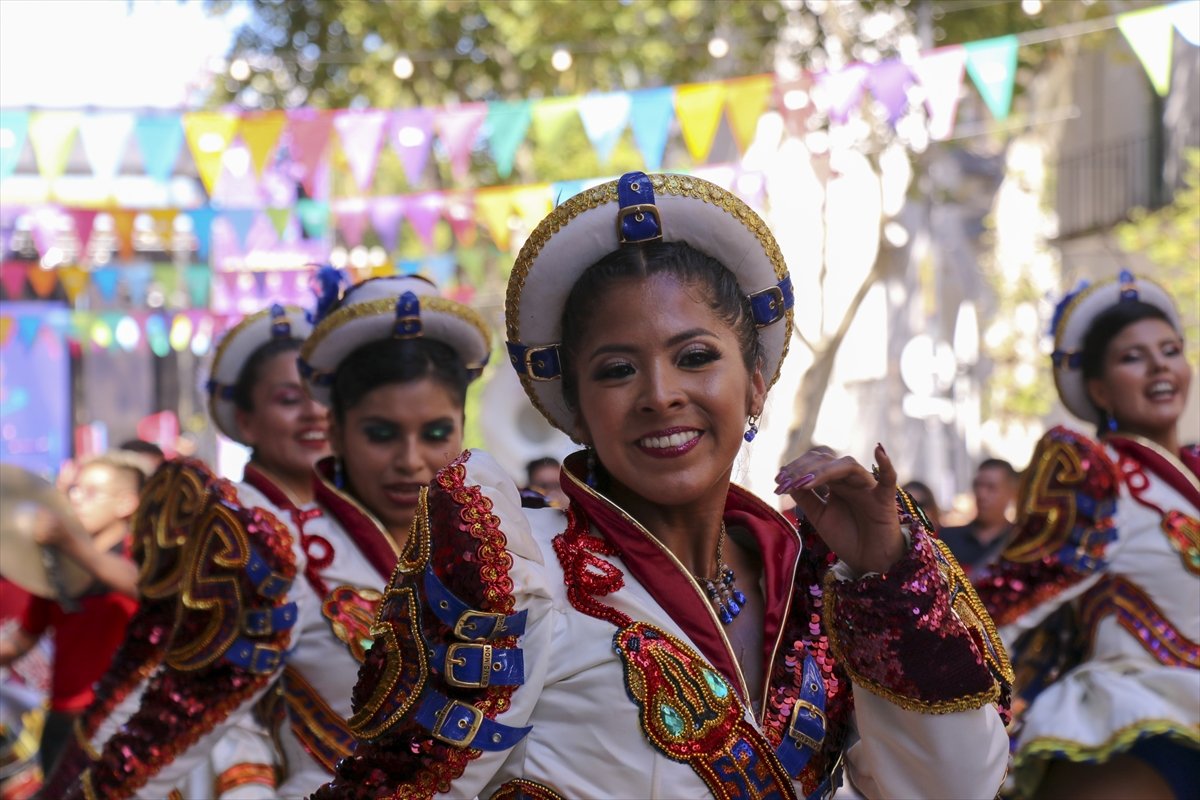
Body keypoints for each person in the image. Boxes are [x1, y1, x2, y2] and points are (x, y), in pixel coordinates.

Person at [316, 172, 1011, 799]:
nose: (660, 394)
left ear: (757, 384)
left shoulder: (821, 577)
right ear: (579, 409)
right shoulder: (517, 574)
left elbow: (953, 788)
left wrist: (887, 579)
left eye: (696, 357)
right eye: (617, 370)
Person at [66, 280, 490, 800]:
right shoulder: (267, 550)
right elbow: (173, 723)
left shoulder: (499, 542)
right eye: (381, 433)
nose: (410, 459)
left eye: (435, 432)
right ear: (338, 430)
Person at [974, 271, 1199, 800]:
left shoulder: (1191, 473)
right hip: (1134, 726)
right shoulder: (1095, 477)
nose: (1160, 364)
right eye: (1133, 357)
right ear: (1099, 389)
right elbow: (1009, 603)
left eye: (1170, 350)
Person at [0, 452, 146, 776]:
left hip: (122, 719)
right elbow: (23, 640)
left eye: (91, 493)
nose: (76, 500)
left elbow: (142, 586)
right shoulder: (56, 564)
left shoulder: (142, 553)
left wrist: (71, 545)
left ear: (126, 504)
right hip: (64, 720)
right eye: (74, 490)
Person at [939, 459, 1019, 574]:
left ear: (1011, 492)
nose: (982, 494)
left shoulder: (1019, 542)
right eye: (978, 486)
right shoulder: (946, 539)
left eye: (991, 488)